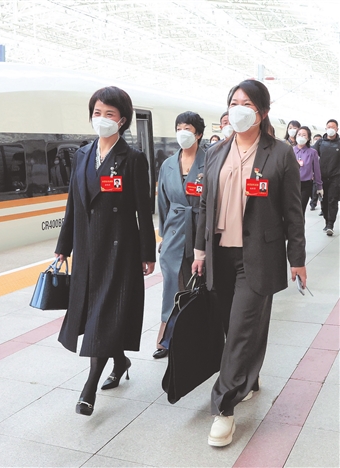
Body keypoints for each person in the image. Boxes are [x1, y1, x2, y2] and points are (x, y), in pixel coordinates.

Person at [192, 80, 306, 447]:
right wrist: (199, 251)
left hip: (257, 256)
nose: (238, 109)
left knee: (242, 329)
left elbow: (293, 211)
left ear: (262, 112)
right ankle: (250, 378)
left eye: (247, 104)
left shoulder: (280, 153)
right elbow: (205, 204)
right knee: (232, 326)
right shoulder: (216, 151)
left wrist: (297, 259)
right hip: (219, 254)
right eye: (233, 102)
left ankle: (223, 408)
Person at [54, 86, 156, 416]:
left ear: (122, 120)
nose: (102, 119)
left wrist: (147, 253)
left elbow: (144, 210)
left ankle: (89, 388)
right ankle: (120, 360)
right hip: (87, 250)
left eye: (109, 114)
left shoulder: (133, 158)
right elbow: (73, 203)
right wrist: (64, 246)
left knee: (102, 317)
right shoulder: (82, 154)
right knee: (98, 314)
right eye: (97, 113)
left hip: (119, 249)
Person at [154, 111, 206, 359]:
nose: (182, 133)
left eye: (188, 129)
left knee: (201, 285)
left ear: (199, 134)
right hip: (174, 230)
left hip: (202, 229)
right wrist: (163, 236)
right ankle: (167, 337)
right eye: (179, 128)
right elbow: (162, 203)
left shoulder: (211, 161)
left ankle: (200, 336)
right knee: (173, 285)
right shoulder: (168, 165)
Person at [313, 119, 340, 236]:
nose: (331, 129)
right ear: (325, 128)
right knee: (323, 201)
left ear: (337, 129)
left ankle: (330, 224)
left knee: (332, 200)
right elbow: (312, 156)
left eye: (333, 127)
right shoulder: (320, 143)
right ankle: (326, 220)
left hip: (336, 177)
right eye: (329, 127)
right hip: (322, 177)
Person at [293, 126, 323, 215]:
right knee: (292, 209)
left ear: (308, 138)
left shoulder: (312, 152)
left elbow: (317, 170)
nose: (301, 137)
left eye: (304, 135)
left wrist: (319, 187)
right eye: (299, 134)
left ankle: (300, 223)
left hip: (305, 185)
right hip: (292, 184)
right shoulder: (290, 151)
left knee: (300, 209)